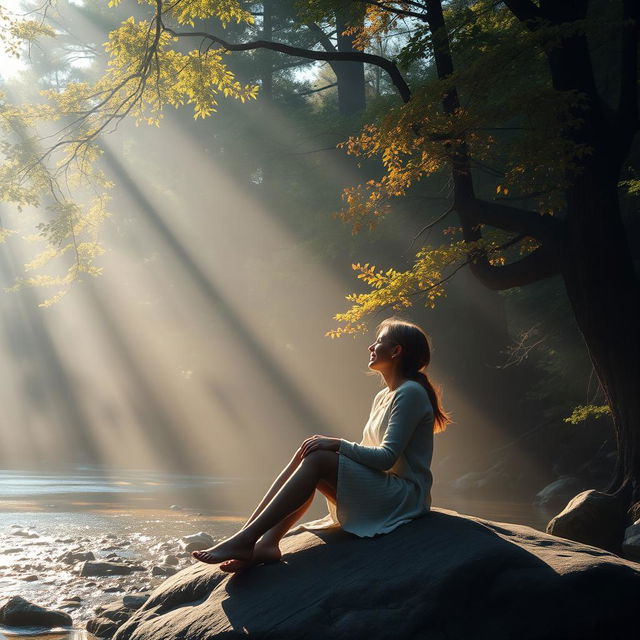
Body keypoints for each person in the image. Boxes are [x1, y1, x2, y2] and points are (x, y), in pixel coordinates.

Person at [192, 317, 449, 571]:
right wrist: (329, 446)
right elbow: (367, 453)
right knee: (310, 452)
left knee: (319, 458)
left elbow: (385, 458)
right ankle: (261, 540)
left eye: (378, 341)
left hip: (403, 496)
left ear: (396, 351)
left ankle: (246, 540)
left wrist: (336, 444)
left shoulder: (411, 392)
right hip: (383, 488)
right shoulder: (384, 395)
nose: (370, 347)